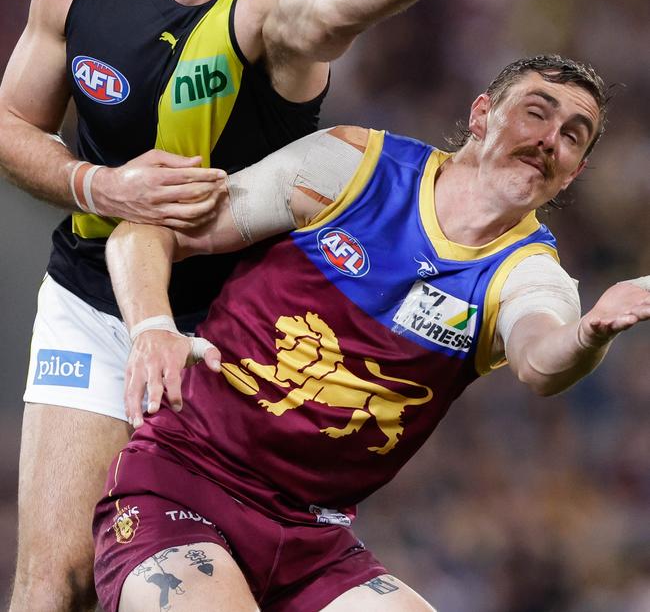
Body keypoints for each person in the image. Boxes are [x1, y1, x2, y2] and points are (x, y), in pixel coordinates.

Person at [0, 0, 503, 612]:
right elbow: (13, 123)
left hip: (236, 339)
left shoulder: (272, 2)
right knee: (53, 580)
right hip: (93, 299)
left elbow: (334, 8)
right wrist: (101, 183)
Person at [94, 54, 650, 612]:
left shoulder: (529, 271)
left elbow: (540, 361)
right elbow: (144, 233)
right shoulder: (352, 168)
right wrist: (152, 328)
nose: (551, 138)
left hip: (313, 541)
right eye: (536, 113)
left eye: (573, 136)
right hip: (183, 485)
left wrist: (590, 333)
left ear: (573, 171)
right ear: (482, 114)